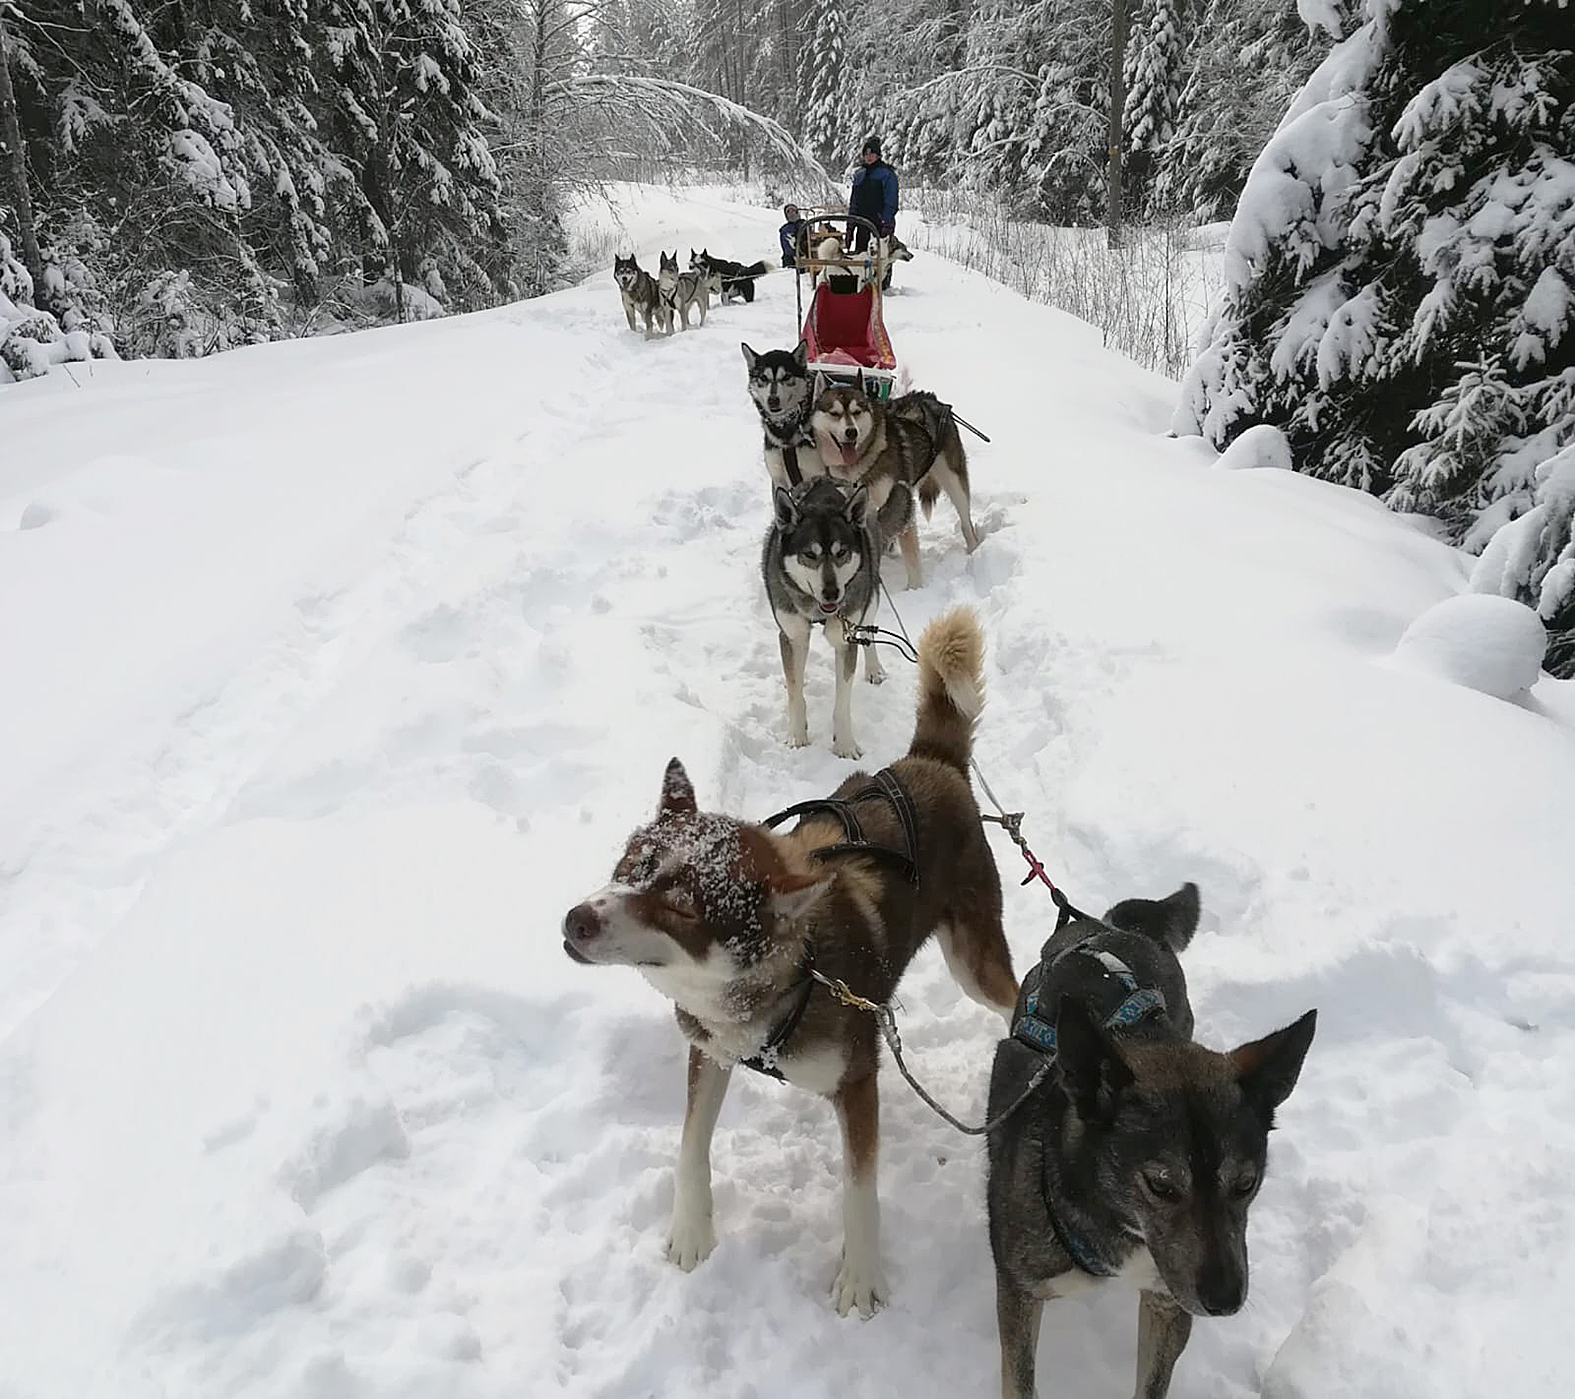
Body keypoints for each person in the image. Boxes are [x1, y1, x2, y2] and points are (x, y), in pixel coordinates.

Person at [847, 136, 897, 257]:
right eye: (866, 154)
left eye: (872, 153)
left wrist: (887, 222)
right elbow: (854, 202)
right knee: (861, 259)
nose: (869, 156)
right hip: (862, 224)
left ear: (878, 155)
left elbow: (891, 200)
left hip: (880, 225)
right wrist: (850, 226)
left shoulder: (886, 174)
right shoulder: (859, 174)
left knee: (880, 262)